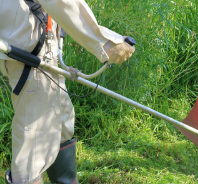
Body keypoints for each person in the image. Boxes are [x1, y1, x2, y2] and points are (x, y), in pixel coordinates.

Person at [0, 0, 135, 183]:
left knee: (61, 121)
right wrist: (105, 42)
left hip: (40, 45)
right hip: (28, 51)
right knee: (36, 136)